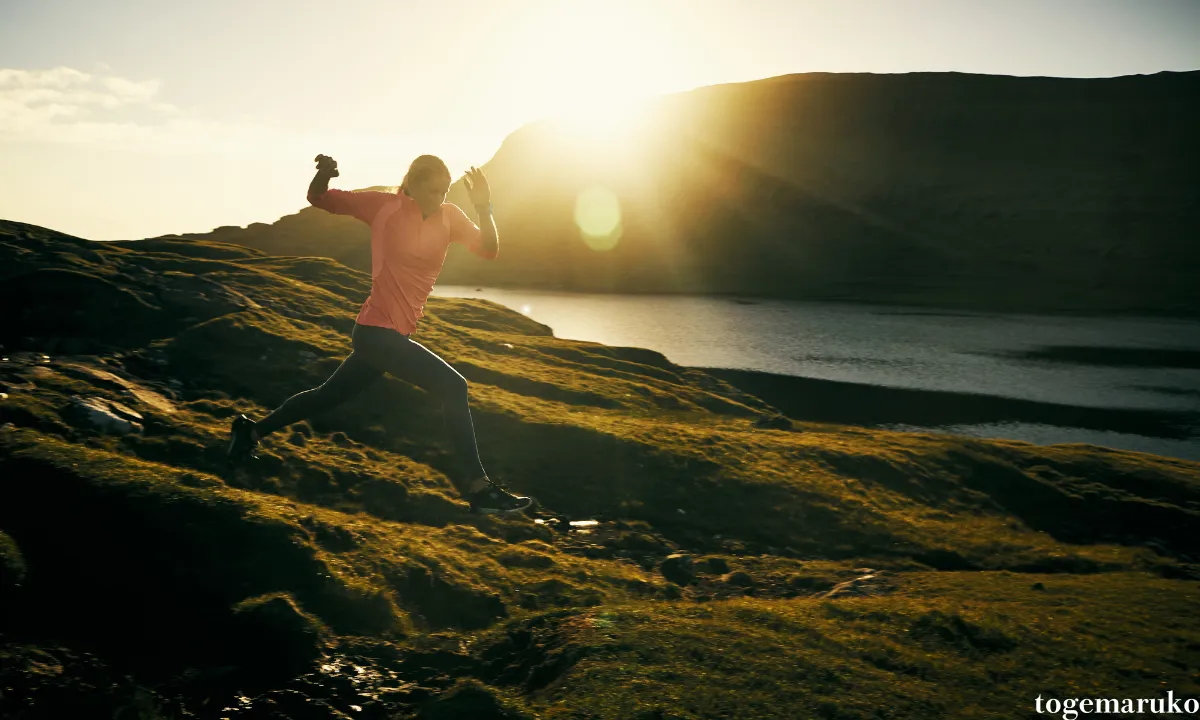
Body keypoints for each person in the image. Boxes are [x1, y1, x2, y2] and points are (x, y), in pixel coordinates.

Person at [225, 153, 533, 515]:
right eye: (432, 190)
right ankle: (479, 489)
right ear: (412, 184)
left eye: (444, 191)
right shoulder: (382, 206)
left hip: (393, 336)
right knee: (454, 387)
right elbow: (320, 199)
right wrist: (324, 174)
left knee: (326, 396)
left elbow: (490, 250)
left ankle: (251, 431)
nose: (438, 198)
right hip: (374, 332)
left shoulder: (450, 217)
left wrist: (484, 208)